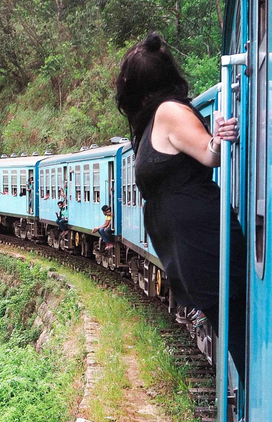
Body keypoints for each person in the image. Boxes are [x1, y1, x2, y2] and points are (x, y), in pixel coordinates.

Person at [115, 32, 246, 379]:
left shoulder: (170, 111)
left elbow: (208, 152)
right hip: (196, 251)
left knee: (242, 340)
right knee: (236, 337)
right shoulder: (154, 120)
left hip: (205, 245)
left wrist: (218, 137)